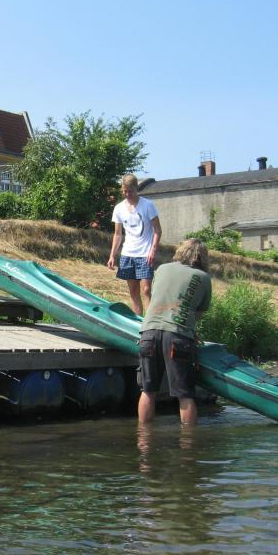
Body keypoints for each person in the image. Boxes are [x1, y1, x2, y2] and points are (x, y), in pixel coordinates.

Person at [137, 238, 212, 426]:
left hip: (149, 332)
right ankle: (188, 440)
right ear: (202, 257)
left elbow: (154, 294)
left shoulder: (162, 269)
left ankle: (143, 438)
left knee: (148, 390)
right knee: (184, 394)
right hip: (178, 336)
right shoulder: (203, 278)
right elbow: (198, 313)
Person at [107, 174, 162, 315]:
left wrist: (153, 250)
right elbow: (118, 234)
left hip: (145, 253)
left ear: (136, 188)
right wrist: (112, 255)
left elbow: (157, 230)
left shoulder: (148, 205)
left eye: (130, 191)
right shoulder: (119, 208)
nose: (127, 194)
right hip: (128, 253)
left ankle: (149, 323)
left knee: (146, 290)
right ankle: (138, 323)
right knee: (133, 291)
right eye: (124, 191)